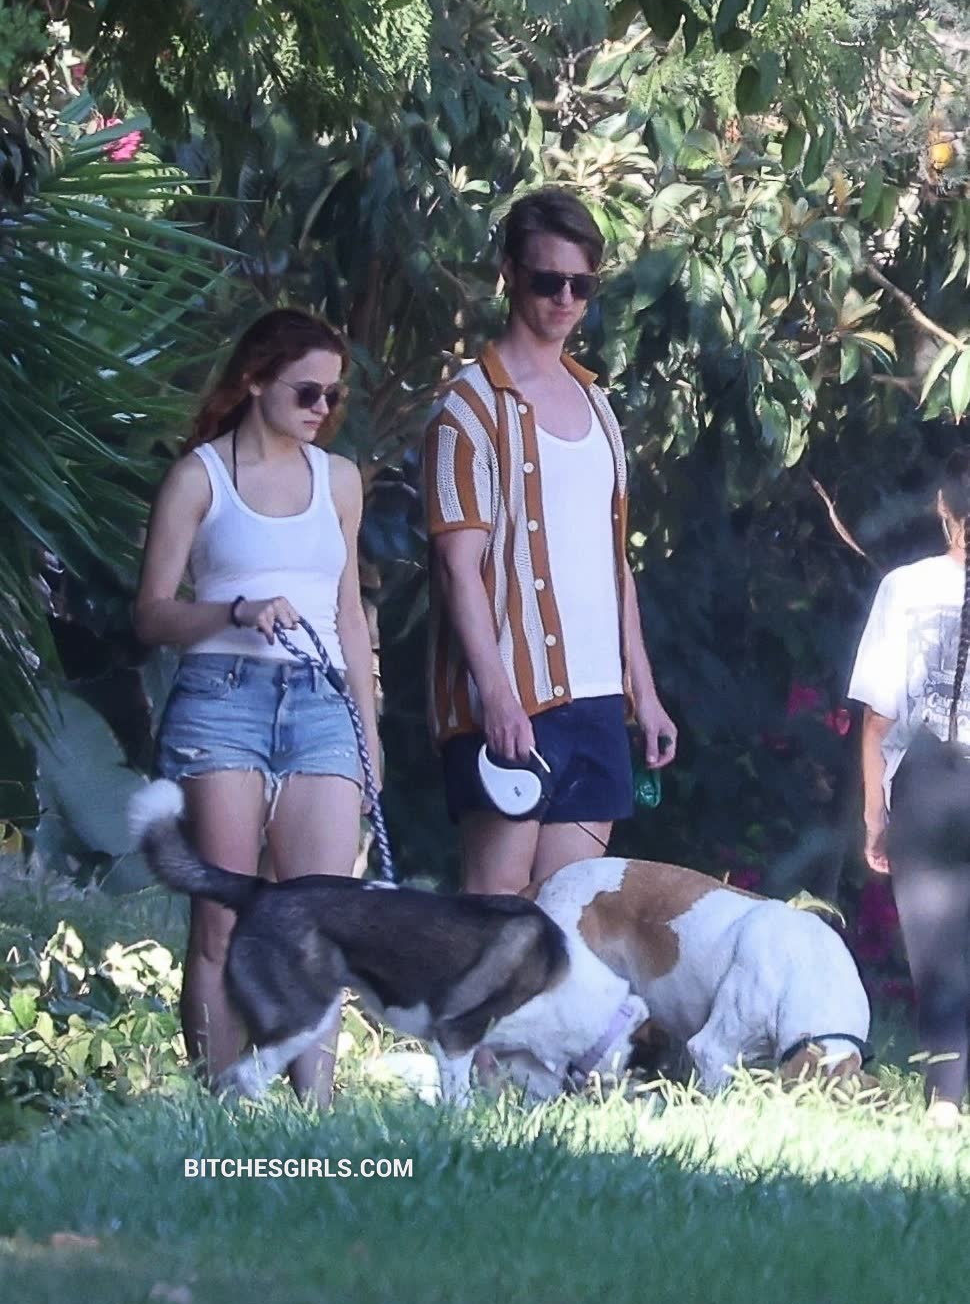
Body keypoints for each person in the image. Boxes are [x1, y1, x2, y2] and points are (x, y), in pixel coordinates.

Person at [134, 308, 379, 1107]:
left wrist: (368, 736)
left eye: (333, 396)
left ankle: (315, 1119)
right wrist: (234, 611)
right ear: (254, 380)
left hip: (321, 704)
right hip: (222, 700)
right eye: (307, 391)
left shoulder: (339, 480)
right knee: (223, 923)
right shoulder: (200, 477)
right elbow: (151, 614)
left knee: (319, 923)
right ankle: (224, 1109)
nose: (322, 408)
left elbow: (349, 616)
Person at [424, 187, 677, 896]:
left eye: (580, 284)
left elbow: (614, 564)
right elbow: (457, 568)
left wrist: (643, 692)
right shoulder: (468, 408)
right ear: (510, 273)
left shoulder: (598, 405)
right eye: (547, 280)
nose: (564, 298)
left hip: (598, 698)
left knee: (571, 921)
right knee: (494, 916)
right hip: (515, 696)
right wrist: (497, 695)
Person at [849, 449, 970, 1129]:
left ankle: (946, 1103)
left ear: (943, 508)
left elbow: (878, 717)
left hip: (930, 781)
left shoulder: (905, 587)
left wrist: (875, 813)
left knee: (939, 952)